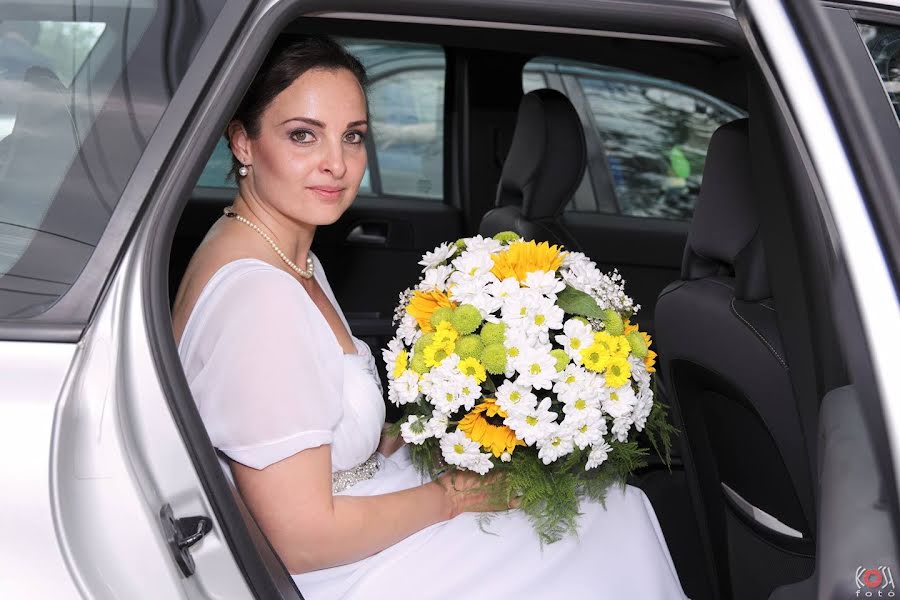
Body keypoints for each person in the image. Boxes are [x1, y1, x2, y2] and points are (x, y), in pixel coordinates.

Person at [173, 36, 688, 599]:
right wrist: (454, 496)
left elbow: (303, 436)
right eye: (303, 135)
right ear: (243, 143)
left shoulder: (282, 253)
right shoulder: (260, 298)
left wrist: (429, 431)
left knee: (607, 508)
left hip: (355, 510)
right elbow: (302, 537)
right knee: (608, 520)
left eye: (353, 137)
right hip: (330, 572)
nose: (337, 164)